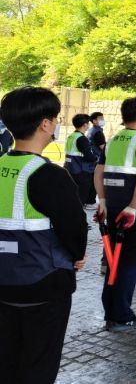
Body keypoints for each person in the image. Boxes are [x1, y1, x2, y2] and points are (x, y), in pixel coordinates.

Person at [0, 87, 87, 383]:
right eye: (55, 118)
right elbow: (74, 229)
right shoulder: (50, 175)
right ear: (45, 124)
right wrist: (77, 257)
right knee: (38, 367)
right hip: (43, 288)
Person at [94, 97, 136, 331]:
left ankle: (111, 312)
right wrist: (133, 207)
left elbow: (98, 173)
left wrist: (102, 201)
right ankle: (122, 316)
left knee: (114, 261)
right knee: (130, 264)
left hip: (112, 211)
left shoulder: (112, 141)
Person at [64, 113, 99, 208]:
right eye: (88, 123)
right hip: (81, 170)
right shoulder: (82, 138)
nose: (89, 125)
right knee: (81, 195)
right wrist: (96, 158)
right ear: (84, 125)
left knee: (72, 193)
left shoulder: (71, 136)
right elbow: (89, 156)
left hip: (69, 168)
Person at [85, 112, 107, 208]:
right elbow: (103, 147)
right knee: (95, 180)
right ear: (94, 121)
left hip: (91, 159)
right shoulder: (98, 132)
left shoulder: (91, 130)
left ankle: (88, 201)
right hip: (97, 159)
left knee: (91, 180)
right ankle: (90, 202)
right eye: (100, 118)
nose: (103, 120)